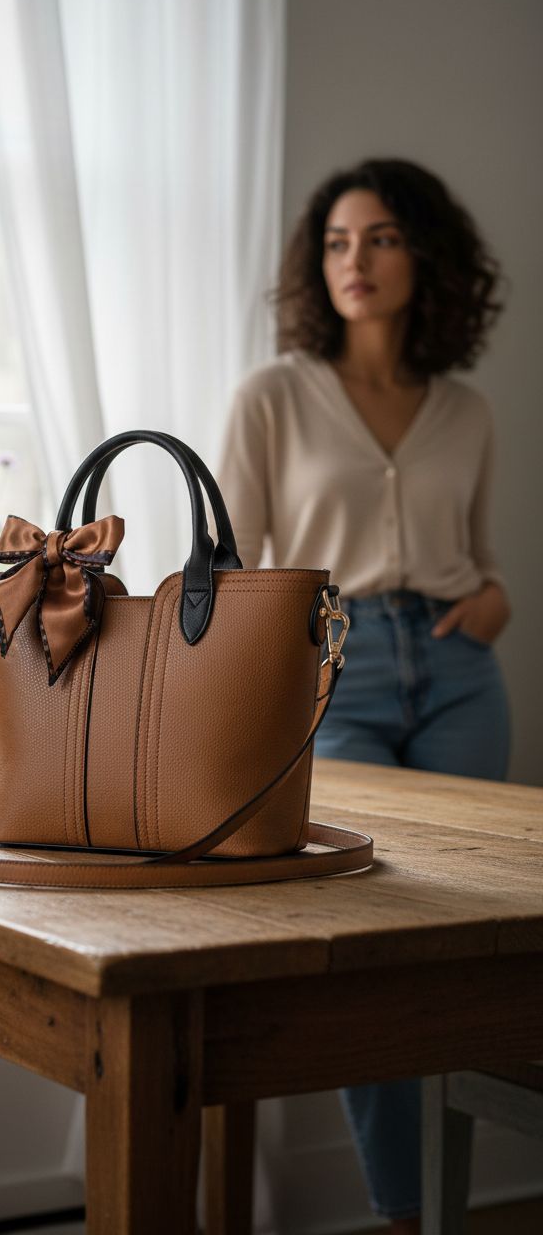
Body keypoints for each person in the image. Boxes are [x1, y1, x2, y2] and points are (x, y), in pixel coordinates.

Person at [218, 158, 511, 1235]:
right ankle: (405, 1216)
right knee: (377, 945)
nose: (356, 261)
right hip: (334, 670)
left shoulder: (466, 411)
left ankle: (439, 1206)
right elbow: (229, 568)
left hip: (460, 679)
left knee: (470, 939)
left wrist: (492, 602)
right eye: (338, 242)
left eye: (381, 238)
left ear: (423, 256)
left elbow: (479, 560)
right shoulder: (272, 397)